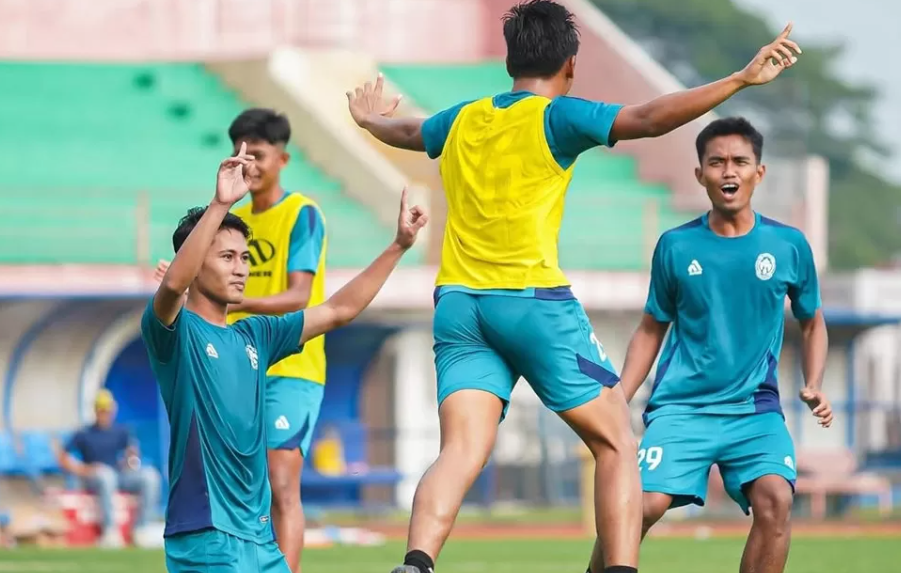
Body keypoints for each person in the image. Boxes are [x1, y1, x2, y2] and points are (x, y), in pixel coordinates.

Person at [345, 1, 802, 572]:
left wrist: (368, 121)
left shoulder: (464, 118)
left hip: (459, 305)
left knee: (460, 449)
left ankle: (415, 564)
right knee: (614, 439)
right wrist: (739, 78)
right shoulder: (556, 117)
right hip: (531, 302)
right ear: (570, 64)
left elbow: (411, 130)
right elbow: (651, 118)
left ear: (511, 59)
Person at [142, 143, 426, 573]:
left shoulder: (256, 333)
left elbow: (337, 310)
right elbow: (172, 286)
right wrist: (222, 203)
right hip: (206, 537)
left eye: (245, 258)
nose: (241, 268)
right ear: (197, 263)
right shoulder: (173, 331)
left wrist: (398, 246)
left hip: (262, 542)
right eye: (226, 257)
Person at [608, 117, 832, 573]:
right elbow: (652, 326)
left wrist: (814, 382)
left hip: (754, 410)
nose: (728, 171)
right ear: (700, 174)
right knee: (642, 505)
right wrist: (618, 397)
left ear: (759, 172)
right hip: (681, 408)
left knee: (776, 500)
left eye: (739, 162)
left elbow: (812, 322)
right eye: (717, 163)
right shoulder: (675, 246)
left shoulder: (788, 245)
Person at [157, 109, 329, 572]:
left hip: (291, 363)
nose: (250, 163)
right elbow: (177, 290)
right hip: (241, 353)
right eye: (242, 153)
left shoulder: (302, 213)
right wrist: (189, 285)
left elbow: (300, 296)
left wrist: (230, 302)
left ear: (282, 159)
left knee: (280, 478)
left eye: (259, 154)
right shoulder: (233, 221)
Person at [57, 388, 161, 548]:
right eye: (102, 410)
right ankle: (110, 531)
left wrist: (131, 460)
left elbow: (132, 456)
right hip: (95, 477)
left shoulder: (121, 431)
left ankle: (141, 529)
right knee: (106, 475)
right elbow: (63, 457)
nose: (105, 413)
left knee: (150, 476)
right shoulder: (84, 433)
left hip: (118, 475)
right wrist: (84, 470)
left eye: (108, 410)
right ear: (96, 410)